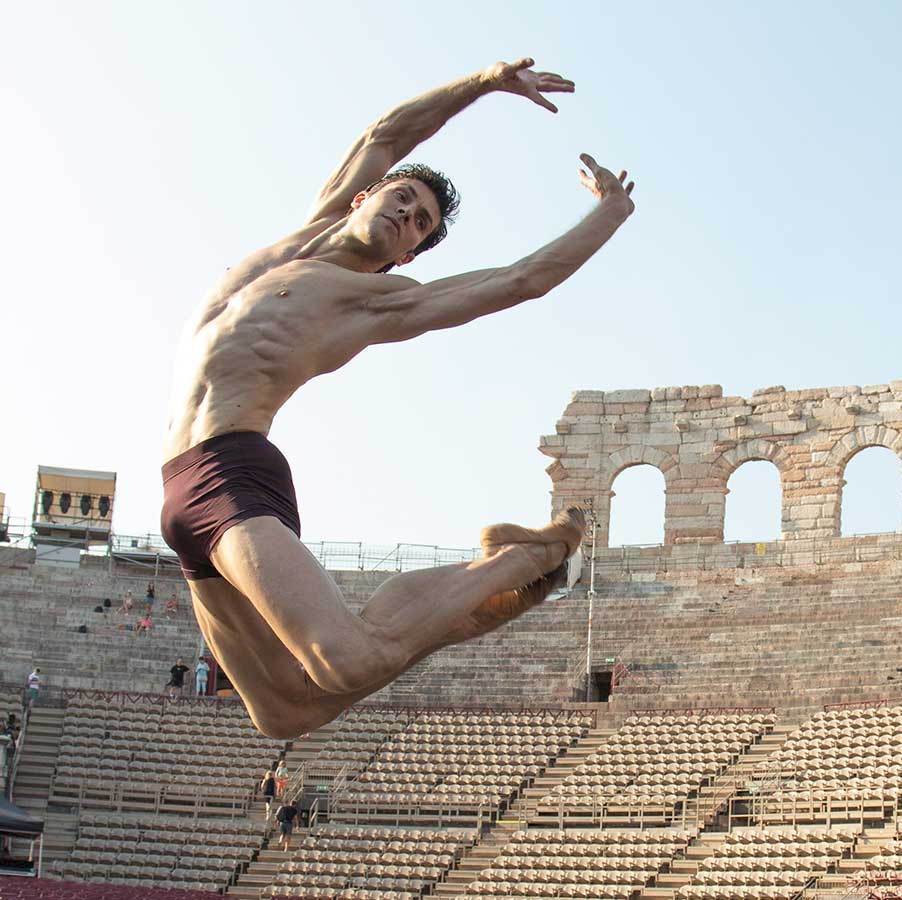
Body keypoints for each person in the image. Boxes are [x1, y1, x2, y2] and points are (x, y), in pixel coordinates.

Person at [160, 56, 633, 740]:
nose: (409, 215)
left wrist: (610, 215)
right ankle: (480, 597)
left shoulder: (376, 301)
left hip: (232, 471)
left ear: (408, 257)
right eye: (404, 200)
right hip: (176, 491)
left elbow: (521, 279)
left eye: (420, 224)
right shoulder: (297, 243)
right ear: (363, 198)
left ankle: (519, 559)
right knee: (288, 712)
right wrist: (484, 81)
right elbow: (384, 135)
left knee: (345, 663)